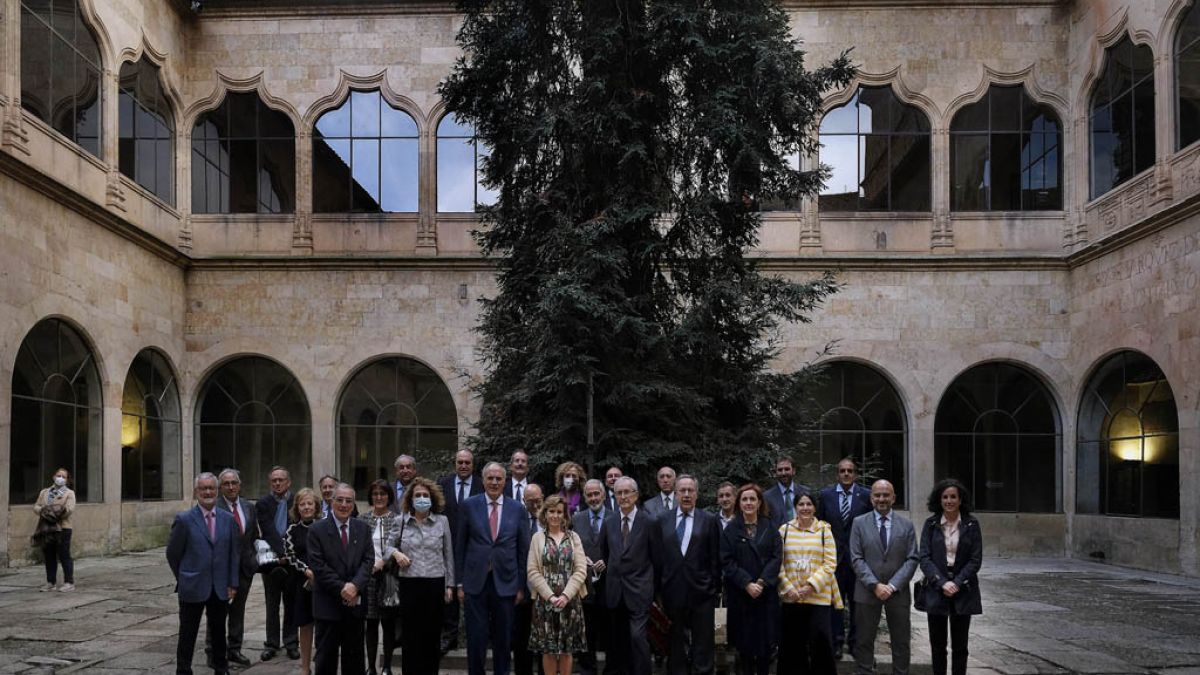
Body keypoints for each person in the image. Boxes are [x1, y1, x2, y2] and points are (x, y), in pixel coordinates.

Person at [455, 461, 531, 675]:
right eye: (490, 478)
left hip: (506, 583)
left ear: (505, 481)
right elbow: (460, 546)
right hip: (475, 582)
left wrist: (520, 586)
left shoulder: (517, 509)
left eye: (499, 478)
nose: (495, 482)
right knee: (476, 638)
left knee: (504, 639)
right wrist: (459, 582)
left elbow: (522, 551)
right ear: (483, 480)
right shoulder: (469, 505)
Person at [167, 472, 239, 675]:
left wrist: (232, 583)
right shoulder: (184, 519)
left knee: (218, 632)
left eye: (211, 488)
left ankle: (221, 668)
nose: (207, 492)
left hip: (220, 586)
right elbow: (173, 554)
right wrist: (183, 576)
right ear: (196, 491)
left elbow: (234, 553)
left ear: (217, 491)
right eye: (203, 488)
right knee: (188, 632)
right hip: (193, 585)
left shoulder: (227, 519)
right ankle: (183, 669)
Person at [850, 479, 918, 675]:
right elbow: (856, 558)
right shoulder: (859, 523)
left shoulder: (907, 525)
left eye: (886, 495)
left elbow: (912, 558)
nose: (882, 499)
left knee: (901, 641)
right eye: (877, 495)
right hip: (866, 591)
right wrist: (875, 585)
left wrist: (893, 585)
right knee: (863, 640)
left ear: (893, 497)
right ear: (871, 498)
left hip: (898, 593)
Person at [657, 475, 721, 675]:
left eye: (690, 490)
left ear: (696, 494)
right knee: (675, 642)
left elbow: (715, 558)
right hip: (672, 592)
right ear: (675, 494)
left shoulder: (709, 520)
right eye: (682, 490)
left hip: (702, 593)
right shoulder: (662, 520)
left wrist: (712, 587)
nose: (686, 494)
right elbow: (659, 558)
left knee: (703, 642)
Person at [918, 479, 982, 675]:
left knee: (960, 646)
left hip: (963, 590)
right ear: (940, 500)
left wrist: (956, 582)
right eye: (945, 497)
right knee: (938, 646)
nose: (949, 500)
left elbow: (975, 559)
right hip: (937, 590)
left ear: (960, 499)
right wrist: (942, 582)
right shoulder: (931, 524)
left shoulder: (972, 524)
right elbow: (924, 557)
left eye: (953, 496)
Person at [308, 482, 373, 675]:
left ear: (353, 504)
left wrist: (355, 586)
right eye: (340, 500)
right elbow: (318, 566)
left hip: (355, 606)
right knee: (326, 660)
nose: (344, 505)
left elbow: (368, 560)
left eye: (349, 501)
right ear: (331, 501)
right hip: (328, 606)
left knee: (354, 660)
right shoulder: (317, 530)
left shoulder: (363, 528)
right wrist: (343, 588)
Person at [393, 477, 456, 675]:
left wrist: (450, 586)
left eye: (425, 495)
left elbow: (448, 555)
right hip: (409, 583)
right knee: (411, 637)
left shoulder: (442, 521)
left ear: (432, 498)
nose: (421, 498)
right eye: (417, 495)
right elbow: (386, 547)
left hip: (435, 584)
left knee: (431, 637)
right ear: (410, 499)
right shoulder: (401, 521)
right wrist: (396, 553)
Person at [598, 476, 658, 675]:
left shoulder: (649, 522)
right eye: (618, 493)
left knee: (637, 638)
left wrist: (652, 589)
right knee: (618, 642)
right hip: (616, 591)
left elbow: (657, 559)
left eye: (627, 492)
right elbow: (606, 555)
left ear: (636, 495)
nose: (622, 497)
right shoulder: (608, 523)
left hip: (640, 591)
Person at [719, 484, 781, 675]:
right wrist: (747, 583)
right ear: (739, 503)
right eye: (744, 499)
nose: (748, 503)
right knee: (744, 648)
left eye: (752, 499)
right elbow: (726, 560)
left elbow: (777, 557)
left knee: (764, 648)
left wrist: (761, 582)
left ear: (759, 502)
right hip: (741, 595)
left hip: (764, 595)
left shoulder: (770, 527)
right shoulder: (731, 529)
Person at [777, 490, 840, 675]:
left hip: (818, 599)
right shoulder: (784, 530)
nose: (805, 508)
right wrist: (789, 588)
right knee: (792, 648)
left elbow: (830, 563)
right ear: (795, 507)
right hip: (792, 598)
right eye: (801, 504)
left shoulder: (824, 531)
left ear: (814, 507)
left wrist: (810, 586)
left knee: (821, 647)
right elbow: (777, 563)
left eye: (809, 504)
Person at [815, 457, 873, 659]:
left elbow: (870, 526)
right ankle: (836, 642)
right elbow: (820, 527)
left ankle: (855, 643)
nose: (846, 474)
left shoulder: (866, 495)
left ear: (855, 474)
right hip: (834, 561)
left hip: (858, 560)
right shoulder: (826, 495)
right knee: (835, 604)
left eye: (850, 471)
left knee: (857, 604)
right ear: (837, 474)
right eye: (842, 471)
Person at [528, 494, 588, 675]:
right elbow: (532, 571)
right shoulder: (537, 538)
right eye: (551, 511)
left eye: (559, 512)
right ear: (545, 514)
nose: (555, 515)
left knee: (566, 649)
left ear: (565, 515)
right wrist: (551, 596)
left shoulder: (573, 537)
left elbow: (581, 570)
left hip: (570, 601)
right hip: (545, 601)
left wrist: (565, 596)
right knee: (548, 650)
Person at [208, 468, 257, 668]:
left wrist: (253, 560)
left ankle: (234, 649)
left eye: (233, 483)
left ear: (239, 485)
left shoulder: (248, 507)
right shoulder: (214, 507)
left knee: (238, 611)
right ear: (220, 488)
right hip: (222, 570)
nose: (230, 487)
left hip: (244, 568)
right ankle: (213, 651)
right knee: (218, 612)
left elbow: (253, 535)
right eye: (226, 484)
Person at [438, 449, 482, 653]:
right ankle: (450, 636)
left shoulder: (482, 485)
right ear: (455, 464)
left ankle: (476, 635)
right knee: (450, 591)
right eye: (460, 462)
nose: (463, 465)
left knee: (473, 591)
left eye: (467, 462)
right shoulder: (443, 484)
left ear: (473, 465)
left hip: (475, 546)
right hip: (449, 544)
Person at [257, 466, 299, 661]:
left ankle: (291, 643)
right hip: (271, 561)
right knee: (271, 605)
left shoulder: (296, 501)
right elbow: (268, 530)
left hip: (293, 563)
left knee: (291, 604)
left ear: (288, 482)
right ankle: (271, 644)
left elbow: (297, 528)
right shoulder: (263, 503)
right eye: (274, 480)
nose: (277, 483)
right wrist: (281, 553)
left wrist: (289, 555)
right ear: (270, 482)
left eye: (281, 479)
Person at [361, 479, 402, 675]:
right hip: (367, 578)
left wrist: (385, 564)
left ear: (389, 497)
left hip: (388, 578)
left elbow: (400, 549)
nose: (379, 497)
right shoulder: (362, 519)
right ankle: (371, 667)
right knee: (370, 623)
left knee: (388, 624)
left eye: (383, 494)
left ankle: (386, 666)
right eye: (375, 494)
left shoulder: (397, 519)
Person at [572, 479, 611, 675]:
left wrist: (608, 561)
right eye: (590, 495)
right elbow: (571, 547)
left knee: (610, 631)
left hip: (609, 585)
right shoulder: (577, 519)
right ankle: (588, 670)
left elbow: (623, 548)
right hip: (584, 584)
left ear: (603, 495)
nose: (594, 498)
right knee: (586, 631)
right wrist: (581, 558)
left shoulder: (615, 517)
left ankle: (611, 670)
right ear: (585, 497)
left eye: (597, 494)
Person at [285, 487, 323, 675]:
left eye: (310, 503)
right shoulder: (292, 531)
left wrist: (320, 572)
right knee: (305, 626)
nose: (306, 507)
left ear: (316, 506)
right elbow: (290, 556)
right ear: (297, 508)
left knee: (324, 626)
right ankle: (305, 667)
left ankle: (324, 665)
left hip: (324, 583)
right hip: (302, 584)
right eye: (302, 504)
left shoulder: (325, 526)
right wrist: (307, 571)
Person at [514, 484, 546, 675]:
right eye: (530, 501)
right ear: (524, 502)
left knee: (545, 638)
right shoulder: (518, 520)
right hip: (523, 589)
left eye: (537, 500)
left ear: (543, 497)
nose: (534, 504)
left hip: (546, 589)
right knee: (521, 638)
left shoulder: (552, 520)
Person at [33, 467, 76, 592]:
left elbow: (68, 510)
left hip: (63, 528)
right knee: (49, 555)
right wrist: (43, 511)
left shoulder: (69, 493)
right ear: (53, 476)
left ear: (67, 480)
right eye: (58, 475)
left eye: (63, 476)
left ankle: (69, 582)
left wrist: (52, 513)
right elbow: (36, 506)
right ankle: (50, 582)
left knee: (64, 555)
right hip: (46, 528)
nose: (60, 478)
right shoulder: (45, 492)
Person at [764, 456, 808, 527]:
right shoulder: (767, 497)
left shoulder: (806, 492)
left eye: (787, 469)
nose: (783, 473)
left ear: (793, 471)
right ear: (775, 472)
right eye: (780, 470)